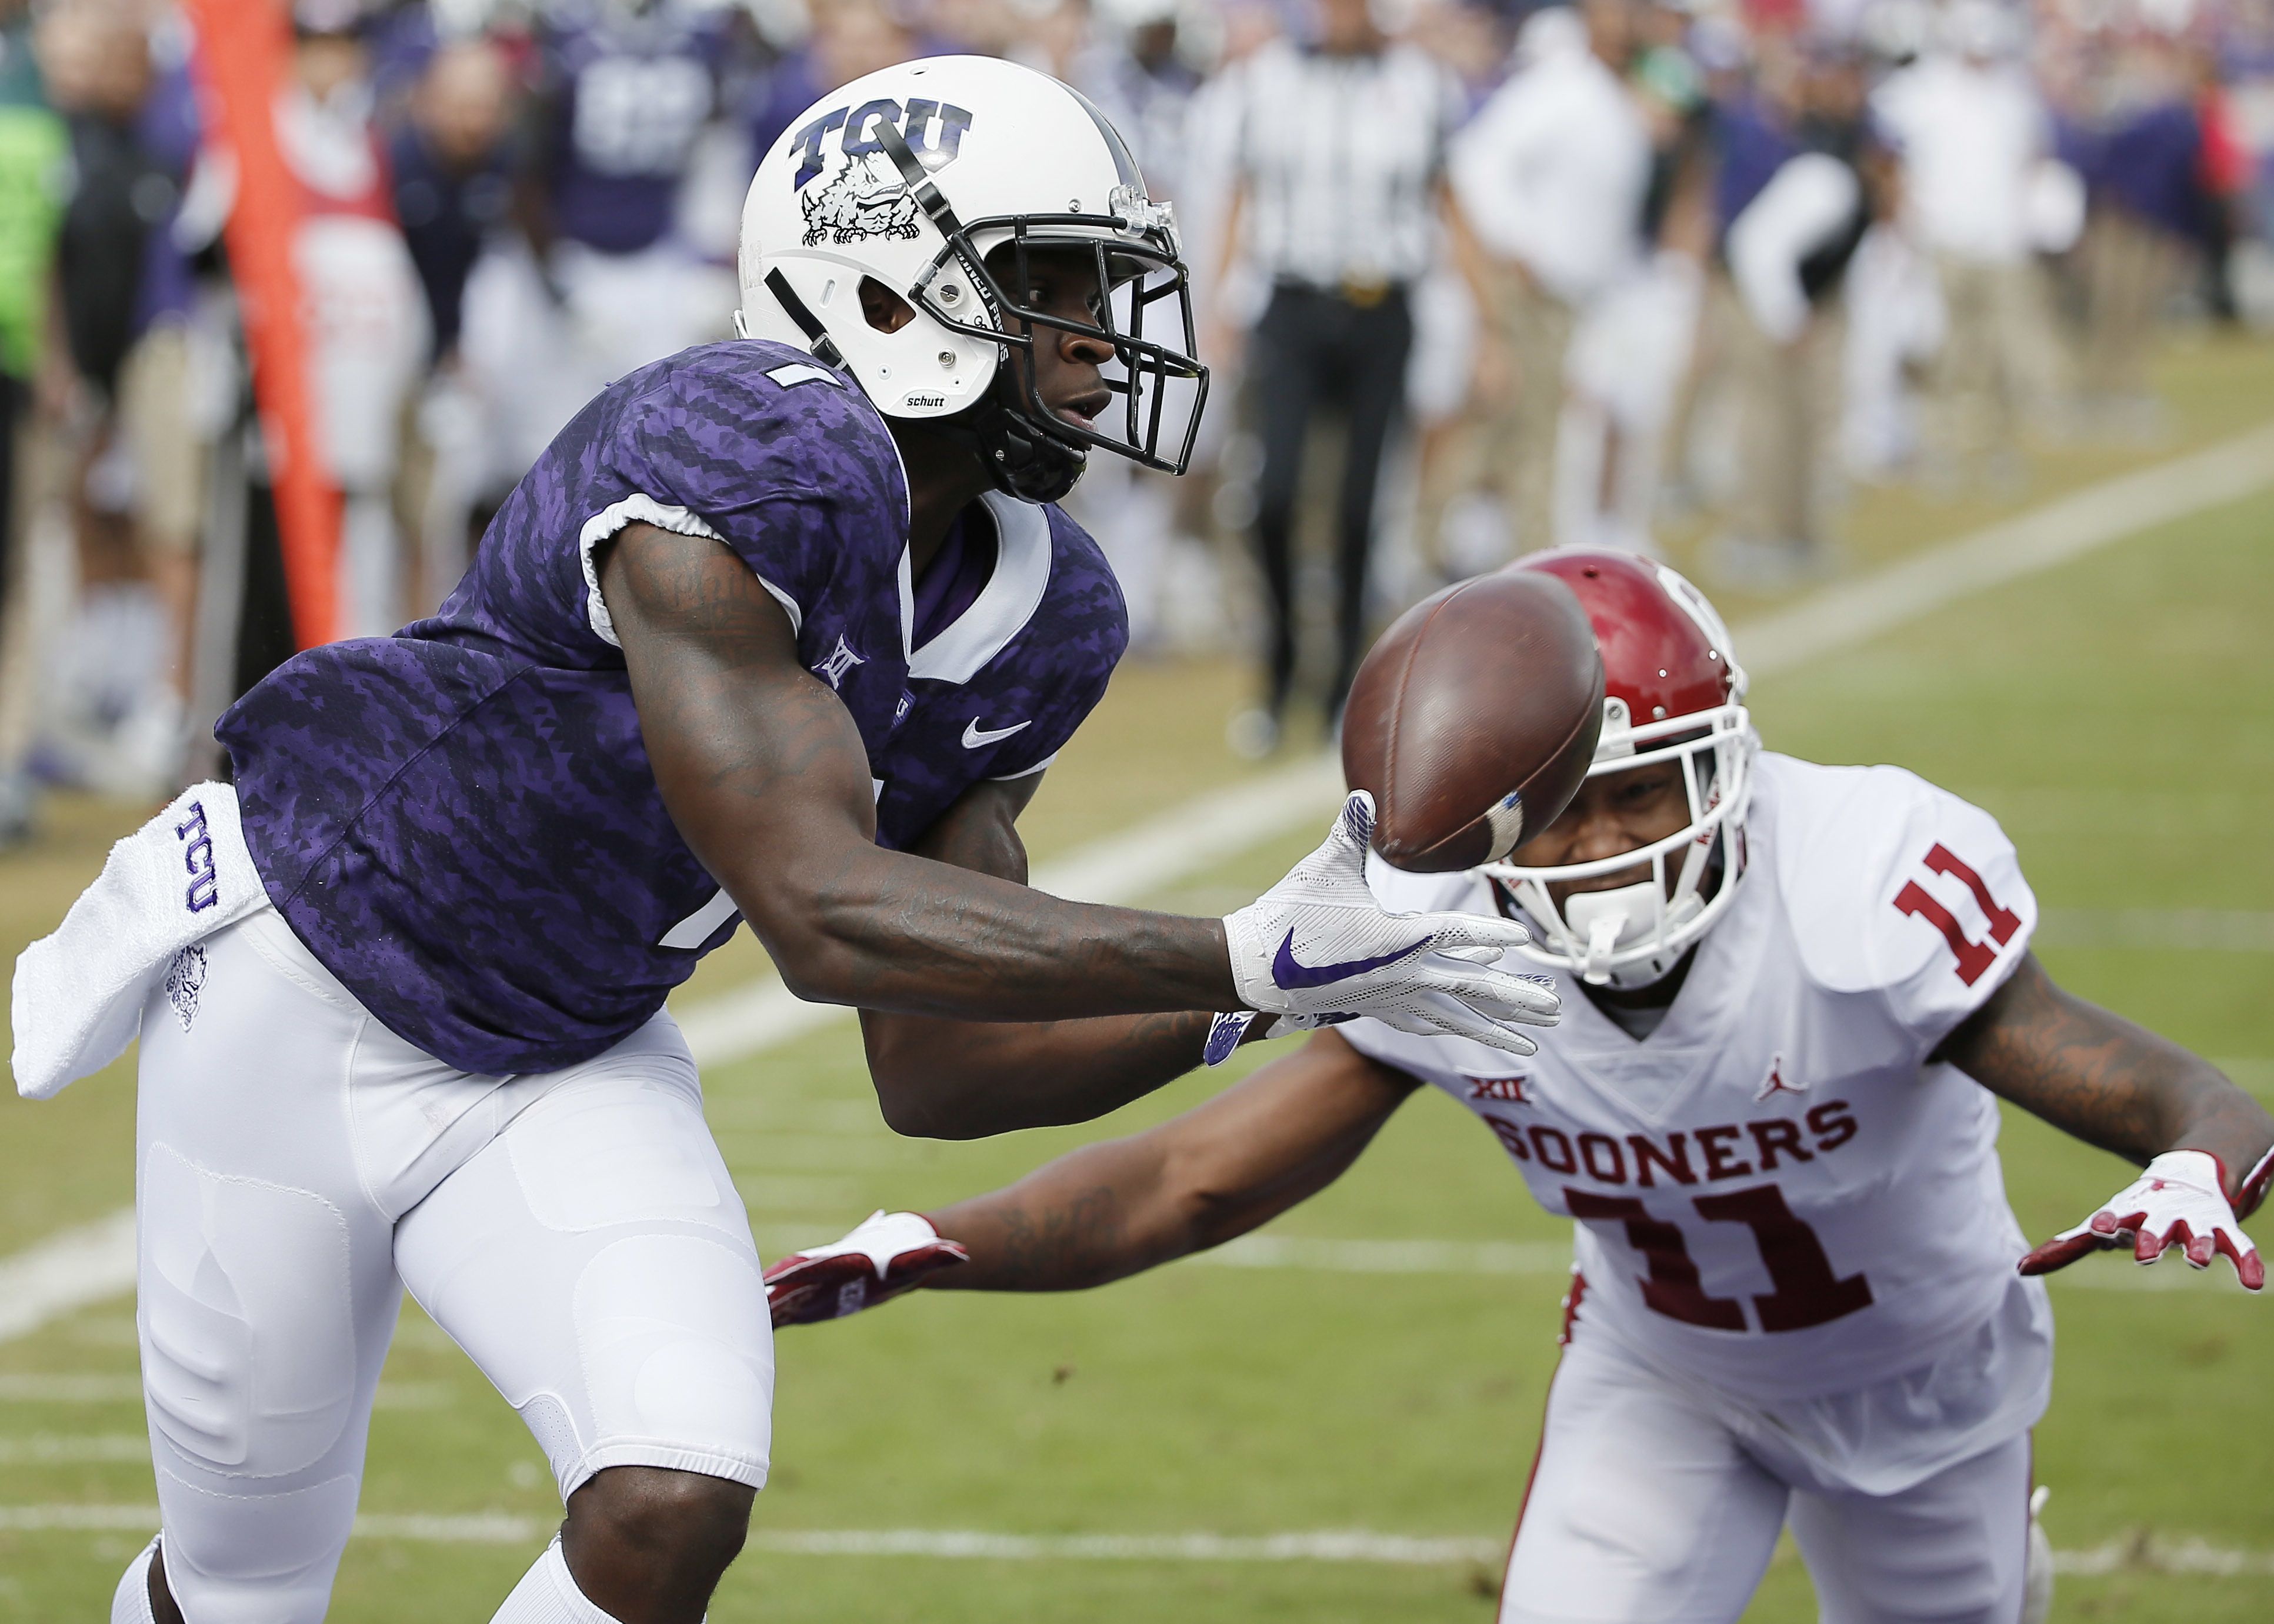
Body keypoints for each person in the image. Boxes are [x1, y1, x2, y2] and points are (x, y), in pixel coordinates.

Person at [12, 56, 1560, 1624]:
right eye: (1057, 290)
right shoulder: (735, 443)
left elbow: (936, 1067)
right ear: (887, 286)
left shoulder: (1047, 609)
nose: (1099, 350)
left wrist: (1279, 994)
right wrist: (1241, 945)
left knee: (673, 1488)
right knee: (245, 1588)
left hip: (562, 1048)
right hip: (305, 978)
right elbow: (818, 910)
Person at [767, 548, 2274, 1624]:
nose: (1599, 843)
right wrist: (936, 1241)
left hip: (1932, 1389)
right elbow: (1191, 1177)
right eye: (1559, 807)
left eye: (1638, 791)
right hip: (1663, 1384)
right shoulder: (1446, 934)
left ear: (1726, 761)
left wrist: (2201, 1153)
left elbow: (2136, 1077)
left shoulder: (1854, 880)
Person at [1209, 0, 1502, 753]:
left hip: (1382, 309)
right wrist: (1216, 307)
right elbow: (1239, 196)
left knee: (1358, 508)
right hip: (1292, 303)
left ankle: (1340, 683)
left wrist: (1488, 325)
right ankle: (1276, 675)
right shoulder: (1265, 81)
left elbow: (1448, 200)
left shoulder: (1422, 83)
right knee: (1270, 499)